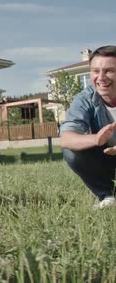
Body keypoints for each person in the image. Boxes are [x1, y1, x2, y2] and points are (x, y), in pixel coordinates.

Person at [60, 45, 116, 209]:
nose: (101, 78)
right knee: (71, 150)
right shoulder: (85, 99)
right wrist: (96, 139)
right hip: (105, 157)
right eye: (95, 71)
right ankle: (107, 194)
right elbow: (66, 138)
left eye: (109, 71)